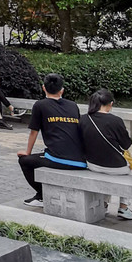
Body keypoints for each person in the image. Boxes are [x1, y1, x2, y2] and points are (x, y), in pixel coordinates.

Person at [18, 73, 86, 203]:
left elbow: (34, 132)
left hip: (59, 159)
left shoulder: (40, 105)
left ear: (43, 88)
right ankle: (43, 195)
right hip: (80, 160)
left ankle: (42, 196)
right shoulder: (73, 105)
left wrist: (27, 153)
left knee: (25, 161)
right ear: (62, 90)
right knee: (44, 154)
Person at [80, 89, 132, 220]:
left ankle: (104, 205)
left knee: (105, 173)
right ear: (110, 104)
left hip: (92, 164)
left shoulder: (83, 119)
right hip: (117, 167)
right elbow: (126, 144)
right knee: (130, 173)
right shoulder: (116, 120)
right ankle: (124, 207)